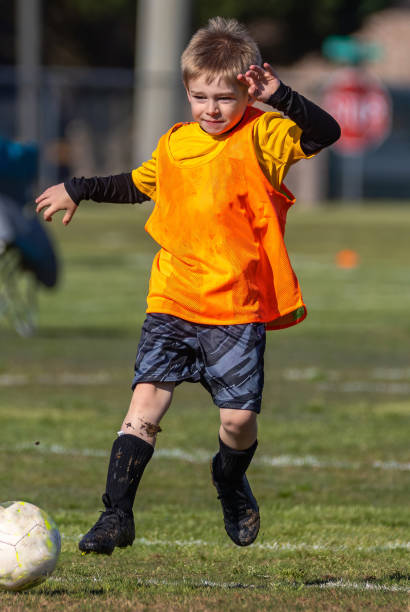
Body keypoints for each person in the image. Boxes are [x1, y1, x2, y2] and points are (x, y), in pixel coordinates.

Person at [35, 16, 340, 555]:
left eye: (224, 97)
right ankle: (115, 516)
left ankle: (227, 479)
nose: (212, 109)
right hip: (173, 298)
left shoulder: (265, 135)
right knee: (146, 402)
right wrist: (78, 187)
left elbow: (325, 133)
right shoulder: (175, 145)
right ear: (186, 92)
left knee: (239, 420)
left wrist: (281, 96)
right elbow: (136, 183)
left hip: (236, 305)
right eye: (200, 97)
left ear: (246, 91)